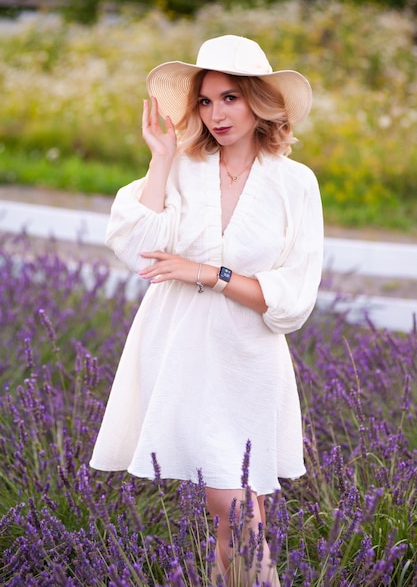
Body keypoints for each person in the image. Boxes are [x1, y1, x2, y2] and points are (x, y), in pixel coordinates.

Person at [90, 34, 323, 586]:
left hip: (248, 358)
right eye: (204, 100)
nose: (214, 114)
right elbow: (136, 245)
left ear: (260, 102)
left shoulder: (296, 184)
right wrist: (160, 158)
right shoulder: (184, 169)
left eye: (230, 99)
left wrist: (206, 273)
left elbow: (291, 298)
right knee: (232, 502)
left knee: (236, 504)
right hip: (182, 349)